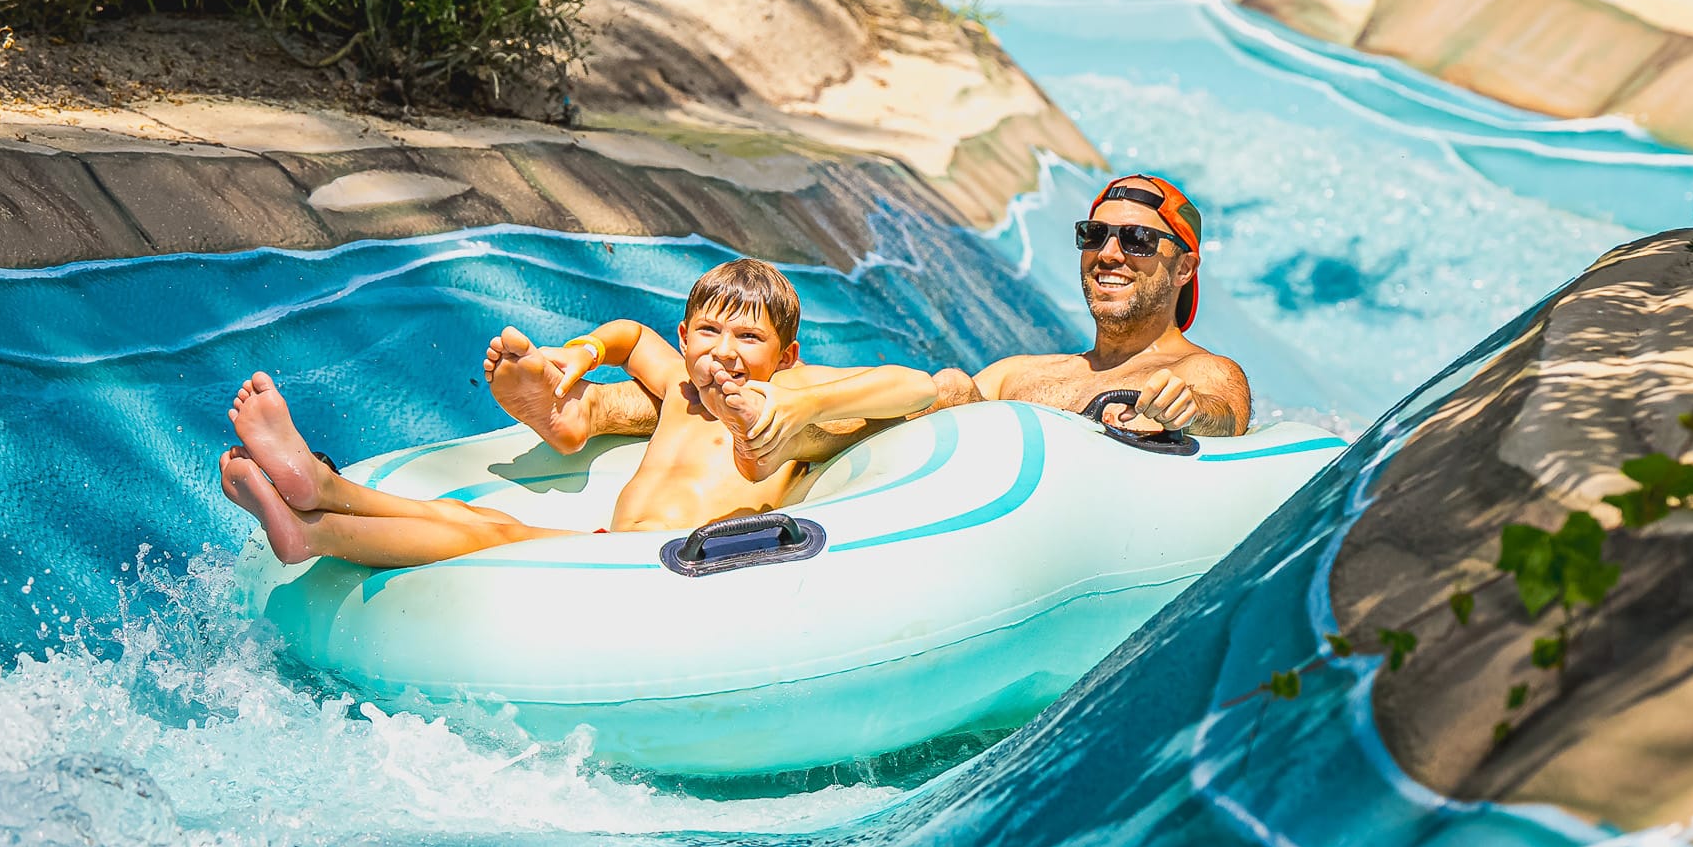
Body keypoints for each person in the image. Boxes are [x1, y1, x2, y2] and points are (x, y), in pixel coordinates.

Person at [487, 175, 1251, 476]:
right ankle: (588, 408)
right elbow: (913, 411)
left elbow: (1220, 410)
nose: (1111, 251)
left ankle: (600, 409)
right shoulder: (1024, 373)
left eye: (1138, 240)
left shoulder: (1200, 373)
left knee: (912, 392)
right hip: (860, 446)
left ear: (1183, 267)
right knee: (932, 388)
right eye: (1095, 235)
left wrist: (1186, 414)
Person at [219, 258, 941, 567]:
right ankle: (314, 498)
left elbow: (914, 388)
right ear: (687, 341)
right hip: (614, 548)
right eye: (711, 333)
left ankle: (319, 519)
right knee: (474, 520)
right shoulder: (683, 392)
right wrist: (583, 352)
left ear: (784, 356)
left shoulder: (787, 413)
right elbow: (632, 337)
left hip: (675, 566)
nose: (725, 351)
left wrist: (803, 402)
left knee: (483, 535)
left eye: (750, 338)